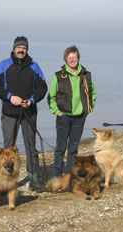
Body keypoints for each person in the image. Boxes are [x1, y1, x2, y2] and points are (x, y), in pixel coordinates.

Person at [0, 36, 48, 192]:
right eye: (19, 47)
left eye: (24, 48)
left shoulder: (34, 66)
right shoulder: (4, 65)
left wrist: (32, 100)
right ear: (14, 49)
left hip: (29, 111)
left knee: (31, 146)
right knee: (7, 150)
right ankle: (4, 182)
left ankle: (34, 179)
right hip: (9, 111)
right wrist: (10, 98)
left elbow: (43, 88)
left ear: (27, 49)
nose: (21, 50)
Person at [48, 45, 96, 178]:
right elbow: (51, 96)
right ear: (65, 60)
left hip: (80, 117)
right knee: (60, 148)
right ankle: (57, 175)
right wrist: (57, 111)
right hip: (63, 116)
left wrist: (87, 110)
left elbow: (93, 94)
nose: (72, 60)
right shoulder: (59, 76)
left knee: (73, 148)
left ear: (78, 58)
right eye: (69, 58)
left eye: (74, 57)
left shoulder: (86, 75)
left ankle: (70, 175)